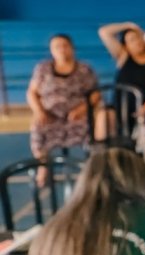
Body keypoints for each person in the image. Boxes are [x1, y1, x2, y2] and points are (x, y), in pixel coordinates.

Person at [27, 34, 99, 186]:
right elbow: (32, 93)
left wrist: (82, 109)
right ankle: (42, 167)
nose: (61, 50)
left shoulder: (84, 69)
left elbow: (95, 94)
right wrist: (39, 111)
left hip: (77, 116)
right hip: (50, 115)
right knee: (37, 127)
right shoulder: (42, 68)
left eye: (65, 46)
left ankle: (91, 170)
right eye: (57, 47)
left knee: (92, 130)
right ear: (51, 50)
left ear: (72, 48)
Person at [98, 22, 145, 145]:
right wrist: (128, 25)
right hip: (122, 106)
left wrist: (144, 109)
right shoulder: (123, 57)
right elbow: (104, 32)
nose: (137, 42)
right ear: (126, 46)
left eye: (138, 38)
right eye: (132, 40)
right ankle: (102, 151)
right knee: (104, 115)